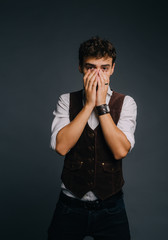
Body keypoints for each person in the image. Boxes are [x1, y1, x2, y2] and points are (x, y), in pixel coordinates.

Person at [47, 36, 137, 240]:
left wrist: (100, 106)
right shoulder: (66, 100)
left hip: (111, 208)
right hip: (70, 206)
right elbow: (61, 147)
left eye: (104, 68)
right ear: (80, 67)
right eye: (91, 67)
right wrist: (88, 105)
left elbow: (120, 150)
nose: (98, 74)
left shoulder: (126, 103)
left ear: (113, 69)